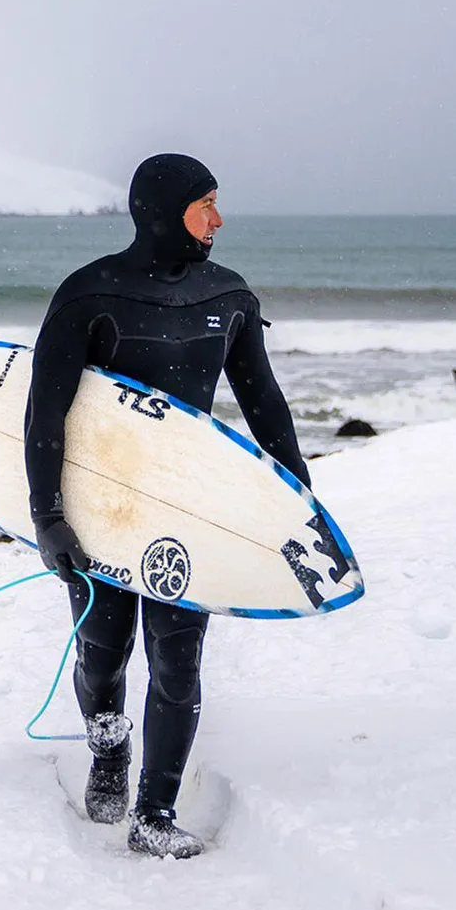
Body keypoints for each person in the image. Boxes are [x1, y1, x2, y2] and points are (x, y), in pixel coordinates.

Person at [24, 153, 309, 859]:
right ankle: (108, 745)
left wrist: (297, 499)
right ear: (161, 209)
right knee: (103, 652)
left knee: (178, 662)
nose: (218, 218)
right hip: (103, 508)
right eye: (204, 203)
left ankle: (154, 813)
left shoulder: (230, 296)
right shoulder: (90, 296)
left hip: (186, 508)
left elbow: (263, 403)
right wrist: (48, 515)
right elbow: (45, 414)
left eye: (217, 202)